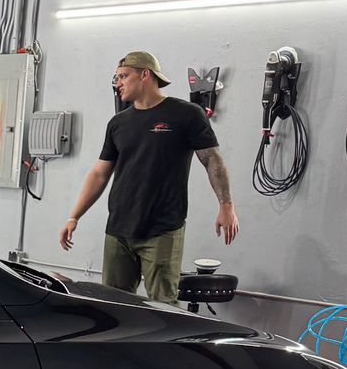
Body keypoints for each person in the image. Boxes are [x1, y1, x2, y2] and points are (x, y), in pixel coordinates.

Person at [59, 50, 237, 305]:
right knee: (112, 306)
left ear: (145, 75)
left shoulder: (186, 114)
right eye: (116, 77)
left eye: (123, 76)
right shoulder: (118, 123)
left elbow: (212, 159)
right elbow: (100, 173)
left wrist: (226, 205)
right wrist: (74, 216)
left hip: (162, 229)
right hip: (119, 230)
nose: (117, 83)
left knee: (163, 307)